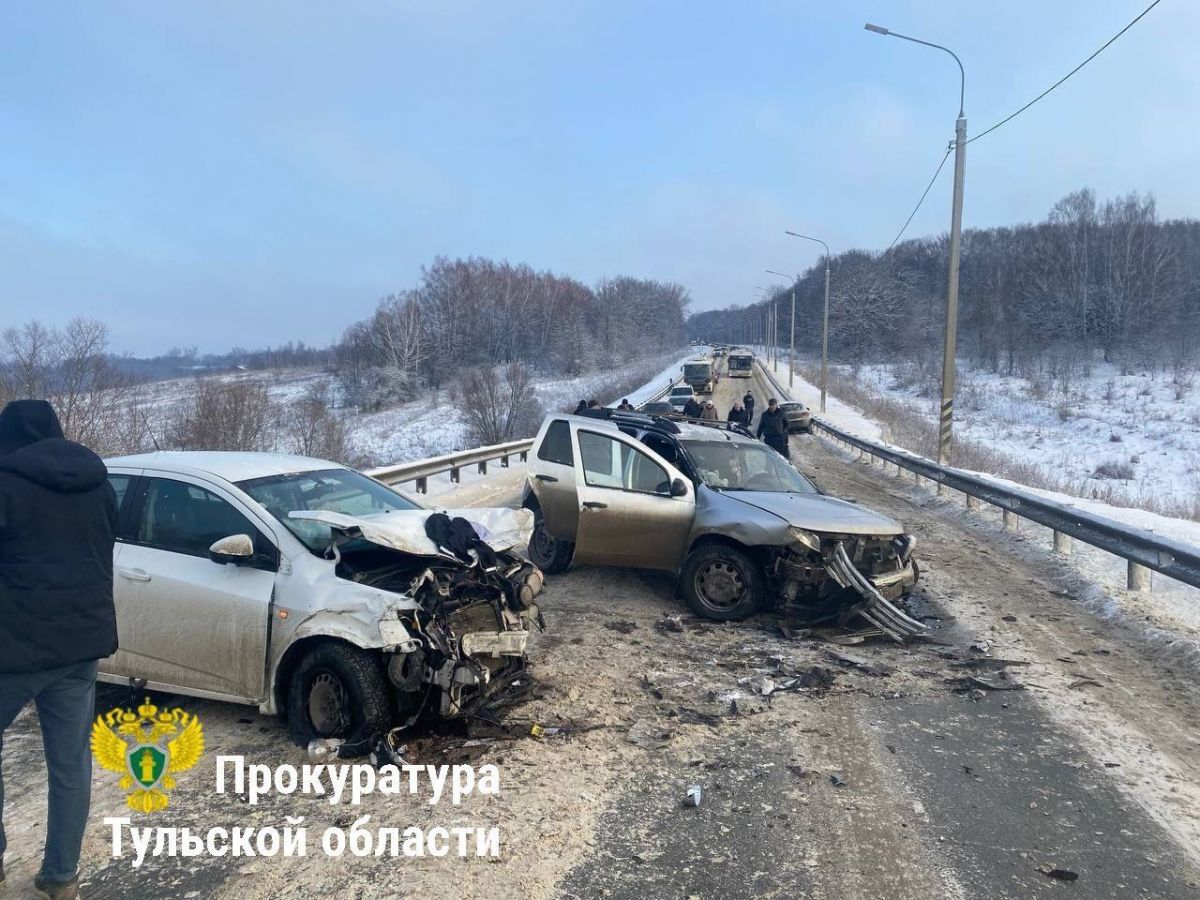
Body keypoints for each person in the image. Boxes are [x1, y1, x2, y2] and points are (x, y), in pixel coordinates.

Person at [0, 400, 118, 900]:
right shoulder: (101, 486)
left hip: (11, 651)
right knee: (71, 764)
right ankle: (62, 876)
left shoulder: (6, 486)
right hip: (79, 649)